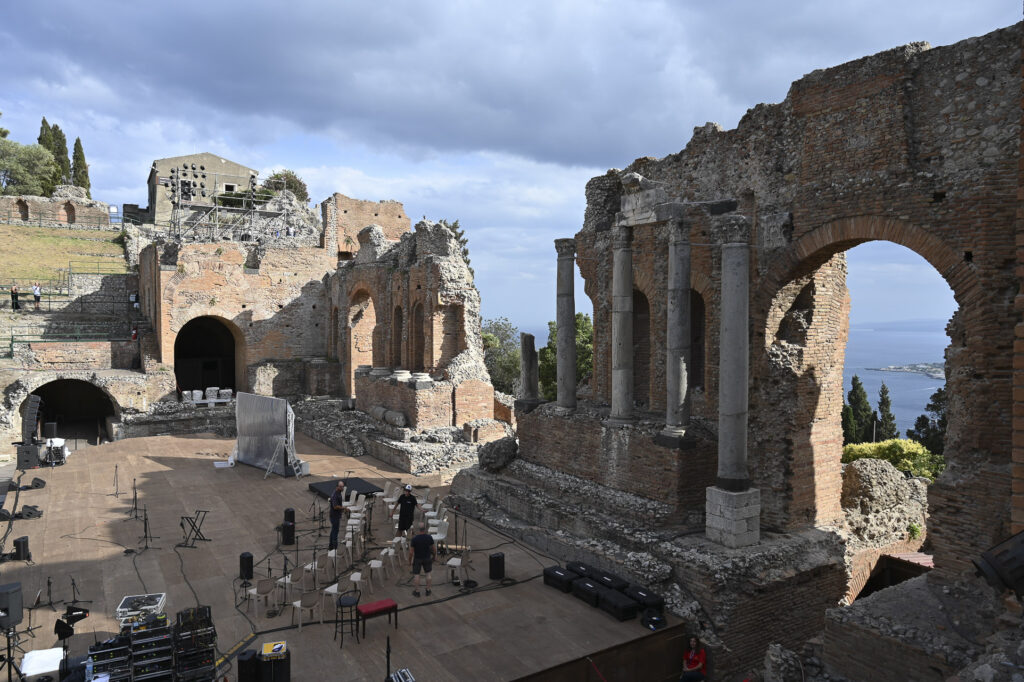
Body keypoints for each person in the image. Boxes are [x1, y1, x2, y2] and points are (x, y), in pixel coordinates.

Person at [409, 523, 435, 597]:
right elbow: (434, 549)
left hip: (417, 558)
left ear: (418, 530)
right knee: (428, 574)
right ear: (425, 529)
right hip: (427, 557)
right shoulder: (429, 537)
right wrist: (434, 557)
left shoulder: (414, 539)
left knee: (416, 575)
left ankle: (417, 591)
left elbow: (411, 552)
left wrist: (409, 560)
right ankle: (428, 590)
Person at [328, 481, 346, 550]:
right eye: (341, 487)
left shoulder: (339, 493)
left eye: (343, 486)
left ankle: (331, 546)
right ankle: (334, 549)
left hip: (336, 516)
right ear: (337, 487)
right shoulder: (335, 495)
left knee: (333, 531)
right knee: (335, 532)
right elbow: (335, 506)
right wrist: (343, 508)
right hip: (334, 516)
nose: (342, 488)